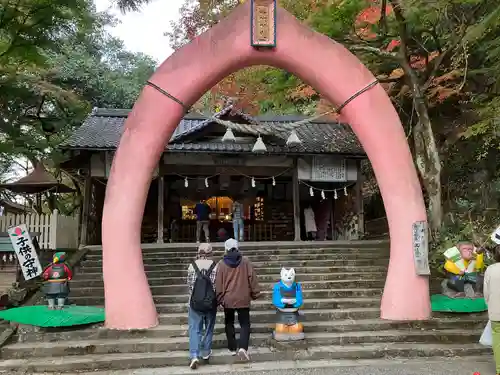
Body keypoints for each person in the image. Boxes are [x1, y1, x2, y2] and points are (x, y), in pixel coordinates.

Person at [216, 238, 260, 361]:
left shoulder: (221, 264)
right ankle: (243, 347)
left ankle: (232, 348)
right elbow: (252, 278)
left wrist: (219, 299)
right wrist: (255, 293)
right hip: (243, 297)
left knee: (229, 323)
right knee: (245, 323)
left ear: (226, 249)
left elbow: (218, 283)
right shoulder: (245, 261)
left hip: (228, 298)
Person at [186, 243, 218, 369]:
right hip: (210, 303)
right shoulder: (216, 266)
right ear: (211, 253)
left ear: (199, 252)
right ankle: (206, 352)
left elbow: (189, 286)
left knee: (194, 328)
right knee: (209, 327)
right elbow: (217, 285)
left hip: (195, 303)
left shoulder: (191, 266)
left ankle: (194, 354)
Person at [484, 245, 500, 374]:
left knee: (498, 343)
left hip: (496, 312)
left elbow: (486, 293)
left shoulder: (490, 269)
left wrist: (490, 305)